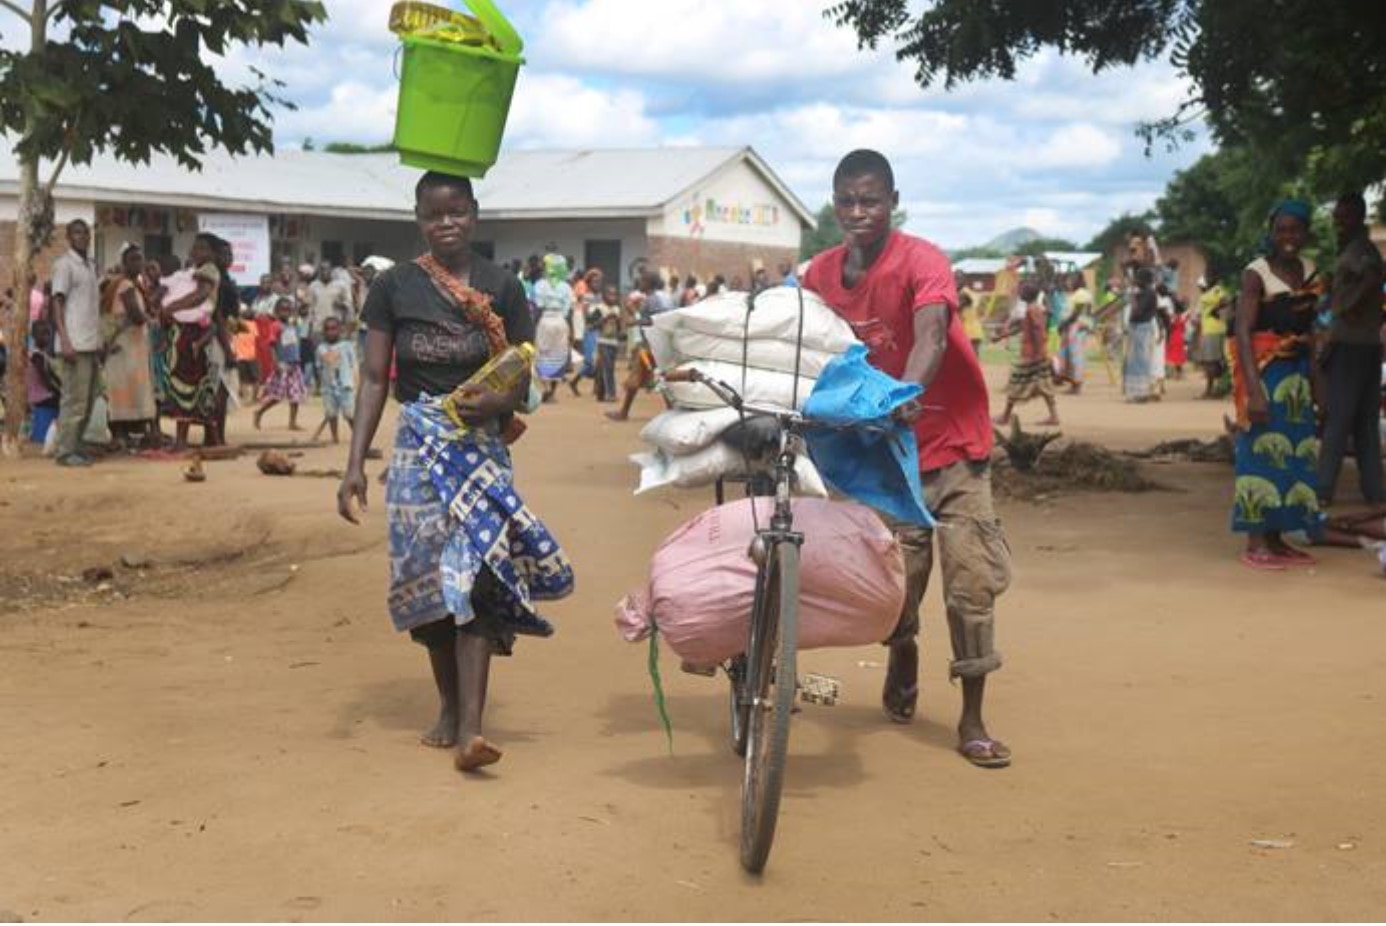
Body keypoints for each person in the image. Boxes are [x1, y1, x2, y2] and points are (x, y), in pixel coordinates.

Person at [337, 171, 572, 775]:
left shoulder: (503, 286)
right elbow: (372, 378)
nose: (447, 223)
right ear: (419, 219)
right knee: (427, 583)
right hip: (417, 447)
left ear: (474, 214)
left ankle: (471, 729)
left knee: (476, 575)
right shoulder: (394, 287)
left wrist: (498, 404)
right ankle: (447, 707)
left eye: (457, 212)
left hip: (481, 449)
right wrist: (354, 465)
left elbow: (522, 369)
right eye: (434, 214)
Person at [802, 149, 1011, 769]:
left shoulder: (923, 260)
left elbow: (930, 333)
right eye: (846, 201)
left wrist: (905, 394)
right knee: (898, 582)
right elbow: (802, 343)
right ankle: (903, 647)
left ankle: (972, 717)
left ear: (893, 200)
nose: (858, 212)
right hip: (884, 456)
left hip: (954, 446)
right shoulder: (819, 274)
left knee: (970, 585)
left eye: (870, 200)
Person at [1230, 199, 1323, 570]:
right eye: (1281, 229)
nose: (1288, 237)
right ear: (1272, 232)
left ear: (1306, 233)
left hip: (1297, 375)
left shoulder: (1311, 270)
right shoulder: (1255, 273)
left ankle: (1278, 538)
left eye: (1295, 229)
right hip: (1266, 370)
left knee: (1294, 455)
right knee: (1260, 453)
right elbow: (1242, 330)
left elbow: (1312, 328)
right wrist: (1254, 390)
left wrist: (1318, 383)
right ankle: (1255, 542)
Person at [1318, 191, 1385, 508]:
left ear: (1357, 217)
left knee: (1339, 419)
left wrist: (1345, 305)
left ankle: (1322, 490)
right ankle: (1374, 490)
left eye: (1342, 217)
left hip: (1350, 343)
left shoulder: (1360, 250)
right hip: (1366, 343)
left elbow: (1372, 278)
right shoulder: (1358, 248)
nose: (1337, 223)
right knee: (1364, 423)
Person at [158, 234, 221, 450]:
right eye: (195, 248)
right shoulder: (192, 273)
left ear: (212, 253)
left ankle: (182, 440)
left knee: (184, 381)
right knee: (198, 382)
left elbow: (200, 295)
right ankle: (212, 437)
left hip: (191, 332)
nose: (197, 252)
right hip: (187, 330)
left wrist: (172, 307)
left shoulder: (209, 271)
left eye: (203, 248)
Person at [49, 219, 103, 466]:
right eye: (78, 233)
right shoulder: (64, 265)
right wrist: (65, 341)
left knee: (90, 398)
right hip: (74, 344)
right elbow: (57, 304)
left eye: (86, 233)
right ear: (69, 237)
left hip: (91, 343)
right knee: (74, 400)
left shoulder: (90, 265)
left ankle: (76, 444)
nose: (83, 237)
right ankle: (64, 451)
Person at [101, 244, 159, 447]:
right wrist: (153, 320)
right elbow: (135, 314)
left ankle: (125, 435)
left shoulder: (134, 284)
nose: (139, 263)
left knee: (129, 390)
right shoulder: (125, 285)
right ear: (124, 263)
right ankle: (119, 435)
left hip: (133, 345)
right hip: (124, 344)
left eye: (140, 259)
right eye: (134, 259)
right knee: (123, 390)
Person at [993, 282, 1061, 427]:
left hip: (1031, 354)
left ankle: (1005, 416)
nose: (1020, 292)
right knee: (1044, 384)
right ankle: (1054, 416)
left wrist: (1037, 352)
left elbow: (1036, 330)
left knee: (1016, 383)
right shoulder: (1034, 309)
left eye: (1022, 291)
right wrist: (1001, 336)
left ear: (1028, 294)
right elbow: (1022, 328)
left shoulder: (1032, 310)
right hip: (1037, 353)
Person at [605, 272, 662, 422]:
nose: (640, 284)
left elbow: (655, 321)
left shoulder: (652, 300)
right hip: (649, 343)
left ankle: (623, 413)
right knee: (641, 379)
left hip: (649, 345)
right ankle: (624, 411)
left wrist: (635, 322)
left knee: (642, 379)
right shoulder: (652, 299)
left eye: (642, 281)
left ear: (649, 283)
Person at [253, 297, 306, 431]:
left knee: (295, 396)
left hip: (294, 364)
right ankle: (259, 412)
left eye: (288, 309)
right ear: (276, 312)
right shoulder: (276, 326)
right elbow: (271, 345)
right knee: (277, 395)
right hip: (282, 364)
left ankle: (292, 422)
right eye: (282, 310)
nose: (285, 312)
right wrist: (275, 363)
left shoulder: (293, 326)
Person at [533, 253, 575, 402]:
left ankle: (546, 388)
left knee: (543, 354)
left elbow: (538, 307)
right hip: (561, 322)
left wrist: (533, 327)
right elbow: (569, 311)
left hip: (545, 320)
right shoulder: (567, 287)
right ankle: (553, 392)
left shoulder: (540, 285)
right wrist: (571, 331)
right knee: (558, 355)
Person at [313, 316, 356, 443]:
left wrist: (356, 382)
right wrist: (319, 385)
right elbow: (321, 365)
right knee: (331, 413)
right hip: (328, 387)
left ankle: (358, 436)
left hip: (346, 385)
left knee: (349, 414)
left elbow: (354, 365)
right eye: (327, 329)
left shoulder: (347, 346)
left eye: (334, 329)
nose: (331, 332)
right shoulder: (321, 348)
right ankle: (334, 437)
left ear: (339, 330)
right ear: (323, 332)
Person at [1123, 268, 1160, 402]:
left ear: (1144, 280)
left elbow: (1138, 311)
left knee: (1140, 361)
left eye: (1137, 278)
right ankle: (1136, 392)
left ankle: (1141, 393)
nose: (1135, 281)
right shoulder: (1143, 293)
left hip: (1142, 328)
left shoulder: (1149, 294)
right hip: (1137, 328)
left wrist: (1132, 297)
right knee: (1135, 360)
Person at [1194, 272, 1232, 397]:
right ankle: (1216, 388)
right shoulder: (1207, 293)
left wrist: (1214, 309)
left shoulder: (1216, 290)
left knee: (1211, 361)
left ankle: (1210, 390)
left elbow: (1226, 300)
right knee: (1212, 361)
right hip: (1209, 330)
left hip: (1213, 330)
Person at [1055, 273, 1093, 393]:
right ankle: (1071, 381)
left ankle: (1077, 384)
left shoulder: (1082, 294)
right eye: (1068, 281)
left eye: (1071, 280)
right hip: (1071, 327)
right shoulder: (1075, 294)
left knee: (1076, 355)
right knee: (1068, 355)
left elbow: (1076, 314)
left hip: (1077, 327)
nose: (1068, 283)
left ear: (1078, 281)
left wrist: (1063, 324)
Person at [232, 309, 260, 404]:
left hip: (240, 356)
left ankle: (243, 399)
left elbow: (234, 337)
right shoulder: (253, 325)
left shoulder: (237, 325)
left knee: (242, 379)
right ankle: (253, 399)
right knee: (256, 379)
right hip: (251, 356)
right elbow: (256, 337)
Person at [1164, 288, 1189, 380]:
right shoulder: (1182, 316)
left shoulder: (1173, 317)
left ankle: (1173, 373)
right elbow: (1184, 325)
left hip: (1173, 336)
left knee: (1172, 355)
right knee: (1178, 356)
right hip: (1179, 337)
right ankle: (1179, 373)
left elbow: (1170, 325)